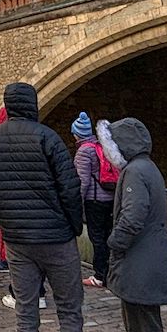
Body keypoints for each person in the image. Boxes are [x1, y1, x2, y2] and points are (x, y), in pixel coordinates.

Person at [0, 82, 84, 332]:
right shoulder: (48, 138)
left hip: (17, 239)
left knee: (26, 314)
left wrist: (4, 223)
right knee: (70, 313)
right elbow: (70, 188)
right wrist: (74, 226)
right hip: (56, 238)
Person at [94, 118, 167, 332]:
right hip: (145, 259)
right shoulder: (146, 167)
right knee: (142, 327)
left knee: (145, 329)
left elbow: (133, 216)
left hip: (140, 261)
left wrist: (114, 242)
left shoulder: (134, 172)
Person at [71, 111, 115, 288]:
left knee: (97, 238)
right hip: (109, 197)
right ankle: (111, 271)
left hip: (94, 200)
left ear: (77, 133)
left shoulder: (84, 151)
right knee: (108, 235)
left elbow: (82, 181)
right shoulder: (101, 146)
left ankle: (100, 275)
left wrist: (76, 204)